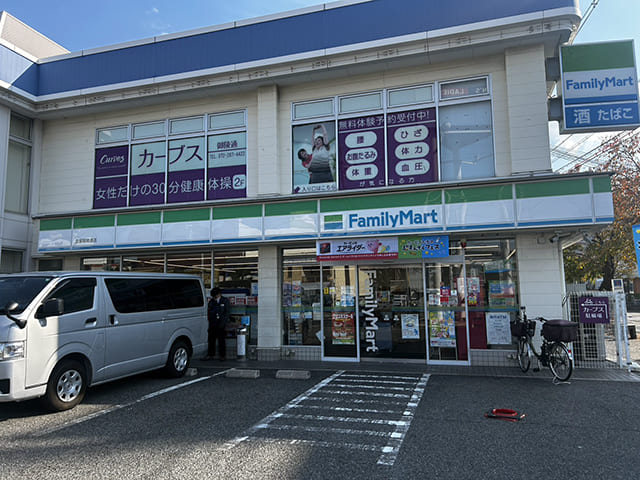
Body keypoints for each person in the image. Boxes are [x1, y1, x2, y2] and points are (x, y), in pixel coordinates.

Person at [206, 287, 230, 360]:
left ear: (219, 294)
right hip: (213, 323)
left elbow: (227, 312)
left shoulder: (225, 300)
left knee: (221, 340)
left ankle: (222, 356)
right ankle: (210, 354)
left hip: (221, 323)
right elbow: (209, 311)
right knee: (211, 340)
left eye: (215, 295)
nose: (214, 297)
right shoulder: (211, 301)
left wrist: (223, 323)